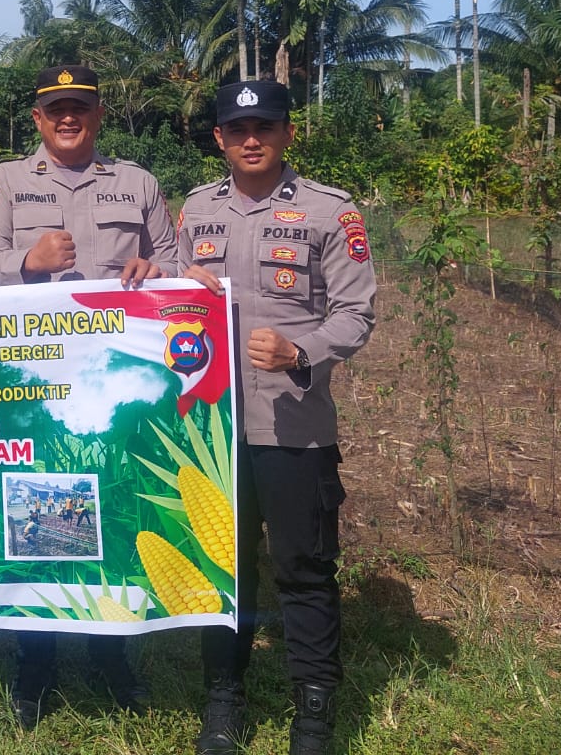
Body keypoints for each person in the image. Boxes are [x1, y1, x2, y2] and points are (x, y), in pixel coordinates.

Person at [0, 64, 181, 728]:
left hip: (117, 383)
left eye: (80, 109)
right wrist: (26, 262)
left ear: (97, 116)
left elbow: (173, 265)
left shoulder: (137, 183)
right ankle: (35, 663)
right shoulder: (3, 182)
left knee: (115, 510)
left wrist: (155, 271)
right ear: (37, 119)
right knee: (38, 515)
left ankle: (113, 655)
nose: (68, 119)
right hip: (34, 381)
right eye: (55, 109)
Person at [178, 80, 376, 755]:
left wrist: (302, 349)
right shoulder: (197, 209)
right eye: (238, 129)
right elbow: (173, 298)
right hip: (210, 427)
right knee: (221, 569)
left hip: (293, 425)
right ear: (220, 139)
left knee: (303, 568)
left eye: (265, 126)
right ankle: (223, 705)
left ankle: (314, 715)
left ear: (289, 132)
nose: (252, 138)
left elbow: (356, 315)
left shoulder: (330, 212)